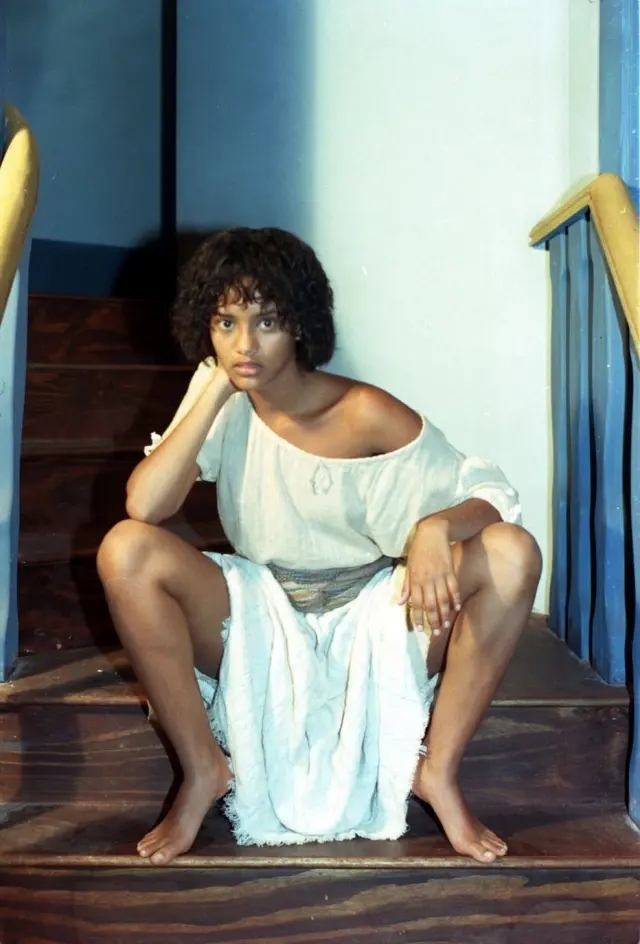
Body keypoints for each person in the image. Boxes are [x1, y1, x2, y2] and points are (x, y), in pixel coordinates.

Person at [97, 227, 541, 867]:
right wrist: (214, 391)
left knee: (512, 552)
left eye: (266, 322)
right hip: (262, 610)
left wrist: (436, 529)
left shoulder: (364, 412)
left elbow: (490, 491)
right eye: (225, 322)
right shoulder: (222, 393)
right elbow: (146, 505)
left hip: (375, 614)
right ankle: (203, 770)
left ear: (300, 324)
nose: (244, 345)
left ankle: (438, 772)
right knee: (126, 550)